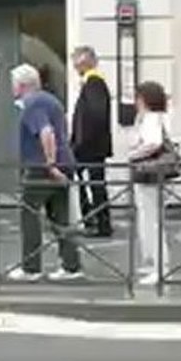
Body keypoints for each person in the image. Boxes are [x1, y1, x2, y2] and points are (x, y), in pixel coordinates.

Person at [8, 63, 83, 281]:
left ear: (22, 85)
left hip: (43, 168)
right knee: (60, 217)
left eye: (13, 84)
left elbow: (46, 132)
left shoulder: (33, 103)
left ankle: (31, 267)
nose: (12, 88)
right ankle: (71, 266)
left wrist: (50, 164)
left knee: (29, 213)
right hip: (64, 164)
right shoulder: (50, 100)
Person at [129, 82, 171, 286]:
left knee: (152, 220)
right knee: (148, 217)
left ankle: (160, 267)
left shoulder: (152, 118)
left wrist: (134, 155)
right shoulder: (151, 118)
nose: (135, 102)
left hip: (149, 174)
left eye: (138, 97)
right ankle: (153, 262)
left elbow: (154, 143)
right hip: (148, 174)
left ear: (145, 99)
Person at [71, 46, 113, 237]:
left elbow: (95, 116)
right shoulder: (91, 82)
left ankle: (97, 222)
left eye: (75, 61)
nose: (73, 65)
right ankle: (94, 220)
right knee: (93, 183)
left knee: (95, 184)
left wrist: (79, 143)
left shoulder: (94, 83)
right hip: (90, 146)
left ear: (83, 62)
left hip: (90, 147)